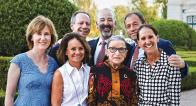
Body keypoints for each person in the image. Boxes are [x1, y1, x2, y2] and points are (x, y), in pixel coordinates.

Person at [4, 15, 58, 106]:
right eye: (39, 33)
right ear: (31, 37)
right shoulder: (18, 61)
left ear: (51, 37)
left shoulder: (54, 64)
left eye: (46, 34)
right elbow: (9, 96)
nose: (43, 38)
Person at [124, 12, 188, 78]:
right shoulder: (129, 48)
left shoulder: (163, 45)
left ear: (144, 24)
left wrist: (183, 65)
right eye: (128, 26)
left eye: (135, 24)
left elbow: (177, 72)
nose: (132, 29)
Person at [134, 24, 181, 105]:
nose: (147, 41)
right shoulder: (138, 65)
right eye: (143, 38)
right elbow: (137, 94)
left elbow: (174, 101)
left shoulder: (171, 64)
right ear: (139, 43)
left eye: (150, 37)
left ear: (157, 38)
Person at [88, 36, 138, 106]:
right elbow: (90, 99)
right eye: (112, 49)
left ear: (126, 53)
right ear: (107, 52)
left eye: (121, 49)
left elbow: (134, 100)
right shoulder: (95, 71)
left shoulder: (131, 74)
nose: (117, 53)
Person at [51, 32, 91, 106]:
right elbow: (56, 103)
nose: (77, 52)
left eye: (81, 48)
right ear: (66, 52)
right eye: (73, 49)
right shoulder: (60, 73)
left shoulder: (89, 71)